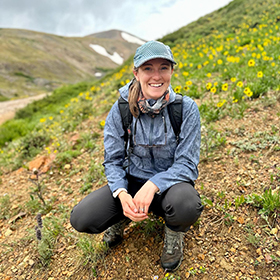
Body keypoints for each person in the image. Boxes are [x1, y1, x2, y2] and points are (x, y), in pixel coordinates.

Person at [70, 40, 203, 271]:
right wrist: (122, 193)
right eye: (148, 68)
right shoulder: (121, 109)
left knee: (187, 205)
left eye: (163, 67)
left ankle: (173, 232)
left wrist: (153, 185)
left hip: (169, 188)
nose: (156, 76)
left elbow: (187, 164)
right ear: (136, 72)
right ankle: (122, 216)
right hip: (131, 184)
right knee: (82, 218)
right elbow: (112, 161)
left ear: (172, 70)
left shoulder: (186, 108)